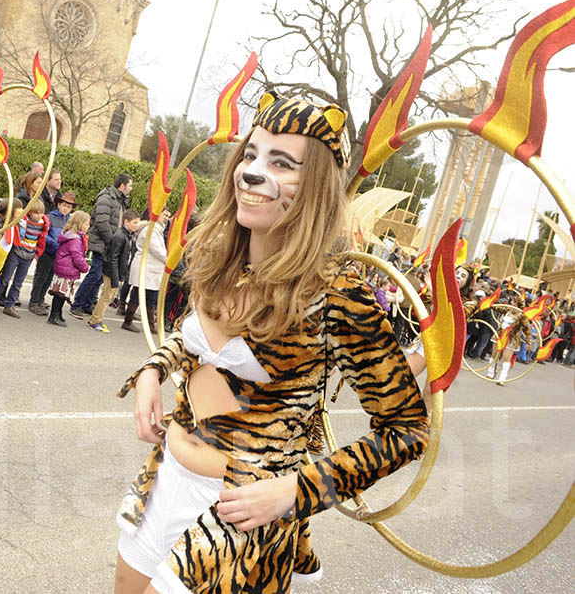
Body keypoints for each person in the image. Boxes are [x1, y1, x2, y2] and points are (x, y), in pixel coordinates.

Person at [113, 93, 429, 594]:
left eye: (281, 163)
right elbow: (195, 341)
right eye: (251, 155)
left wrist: (293, 492)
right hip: (162, 482)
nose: (251, 172)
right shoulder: (221, 258)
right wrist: (152, 371)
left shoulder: (337, 295)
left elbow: (407, 431)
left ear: (316, 189)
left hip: (238, 522)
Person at [70, 173, 133, 319]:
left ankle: (87, 304)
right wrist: (113, 241)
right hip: (102, 242)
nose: (131, 188)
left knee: (100, 277)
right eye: (130, 185)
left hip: (108, 243)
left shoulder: (119, 199)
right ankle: (77, 304)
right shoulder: (107, 197)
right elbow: (102, 222)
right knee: (96, 274)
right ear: (122, 186)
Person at [88, 209, 141, 332]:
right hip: (112, 271)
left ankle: (96, 319)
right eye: (134, 222)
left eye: (137, 223)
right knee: (106, 296)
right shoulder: (120, 236)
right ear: (126, 222)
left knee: (109, 296)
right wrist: (116, 277)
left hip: (117, 271)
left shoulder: (127, 236)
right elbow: (113, 258)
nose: (136, 225)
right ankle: (95, 320)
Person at [0, 198, 48, 318]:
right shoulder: (23, 221)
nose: (39, 216)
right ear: (29, 212)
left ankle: (9, 305)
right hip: (17, 252)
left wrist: (37, 253)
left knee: (18, 282)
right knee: (5, 278)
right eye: (36, 213)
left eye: (41, 213)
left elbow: (41, 239)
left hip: (28, 255)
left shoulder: (43, 224)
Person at [121, 208, 171, 333]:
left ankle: (149, 325)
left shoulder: (156, 230)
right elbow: (157, 250)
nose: (166, 218)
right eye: (163, 214)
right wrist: (170, 260)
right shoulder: (151, 230)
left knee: (151, 297)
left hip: (151, 269)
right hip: (146, 268)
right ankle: (128, 321)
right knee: (138, 295)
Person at [29, 190, 76, 315]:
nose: (66, 209)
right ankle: (34, 301)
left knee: (49, 278)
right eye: (64, 205)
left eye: (69, 207)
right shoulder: (50, 217)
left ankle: (40, 299)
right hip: (48, 251)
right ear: (59, 205)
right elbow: (44, 235)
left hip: (59, 255)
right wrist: (56, 245)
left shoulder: (70, 221)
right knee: (41, 276)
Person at [47, 210, 91, 327]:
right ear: (79, 224)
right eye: (86, 224)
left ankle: (58, 313)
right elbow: (77, 257)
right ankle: (54, 315)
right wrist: (85, 267)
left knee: (62, 294)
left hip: (65, 269)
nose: (88, 227)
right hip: (66, 270)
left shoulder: (71, 236)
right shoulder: (75, 239)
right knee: (60, 294)